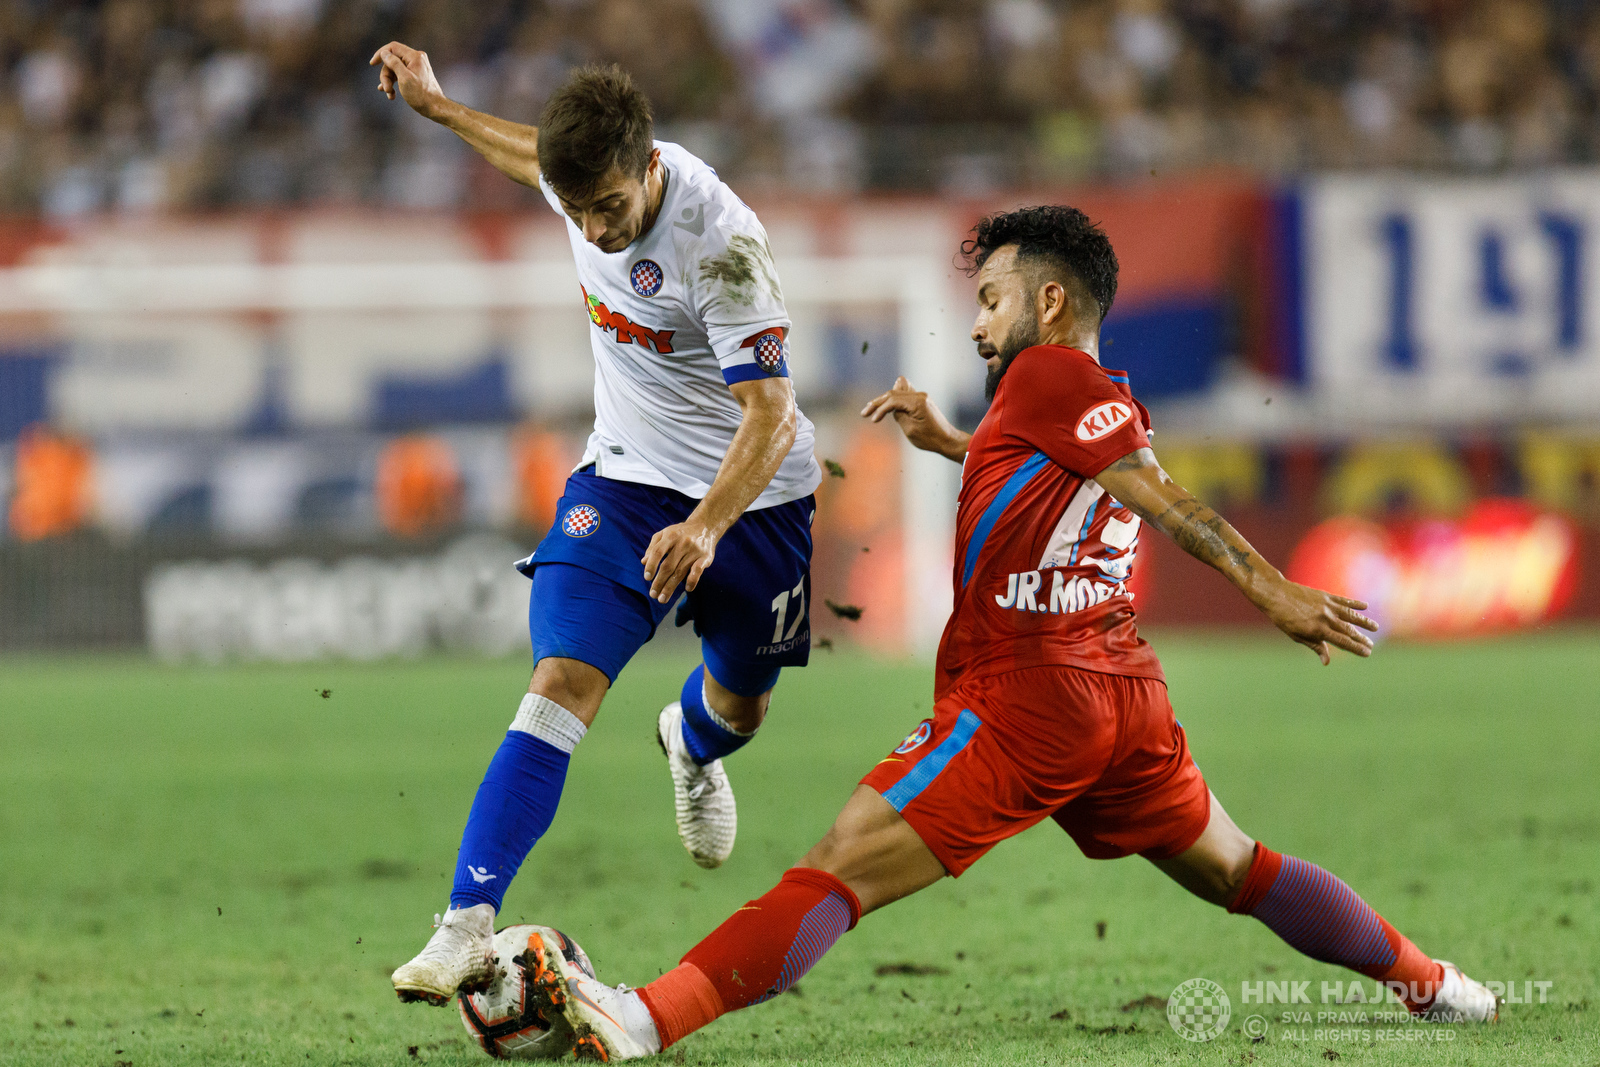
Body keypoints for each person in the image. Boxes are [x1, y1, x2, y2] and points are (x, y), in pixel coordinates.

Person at [512, 206, 1499, 1059]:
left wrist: (1273, 587)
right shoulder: (1067, 402)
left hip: (1032, 691)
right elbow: (1068, 472)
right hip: (1122, 694)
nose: (978, 324)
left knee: (842, 862)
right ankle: (1435, 982)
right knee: (1235, 866)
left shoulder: (1052, 379)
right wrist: (949, 440)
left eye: (990, 299)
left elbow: (1165, 500)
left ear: (1052, 302)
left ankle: (645, 1017)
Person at [369, 46, 823, 1005]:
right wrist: (442, 109)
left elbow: (771, 413)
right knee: (559, 681)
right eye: (575, 211)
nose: (594, 230)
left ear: (649, 163)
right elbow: (524, 152)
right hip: (622, 480)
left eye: (607, 208)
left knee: (744, 706)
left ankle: (692, 741)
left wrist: (706, 526)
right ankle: (464, 924)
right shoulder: (579, 179)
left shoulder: (723, 245)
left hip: (752, 499)